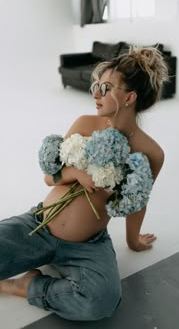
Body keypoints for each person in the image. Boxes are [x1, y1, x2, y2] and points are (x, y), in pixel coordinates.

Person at [0, 46, 168, 321]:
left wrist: (133, 241)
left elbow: (138, 201)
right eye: (96, 86)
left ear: (130, 97)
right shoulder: (84, 124)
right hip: (39, 225)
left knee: (100, 301)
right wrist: (75, 174)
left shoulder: (151, 153)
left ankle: (25, 285)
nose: (96, 94)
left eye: (106, 87)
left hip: (87, 245)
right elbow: (49, 176)